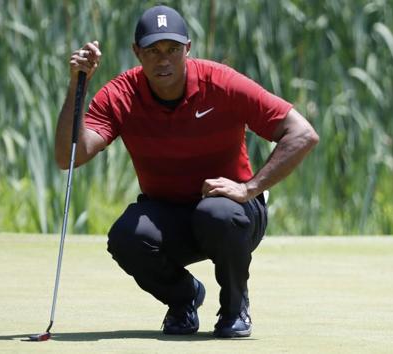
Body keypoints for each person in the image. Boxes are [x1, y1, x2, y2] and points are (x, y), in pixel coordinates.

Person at [55, 5, 318, 338]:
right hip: (170, 214)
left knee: (217, 213)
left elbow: (302, 134)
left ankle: (235, 309)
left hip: (233, 212)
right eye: (153, 50)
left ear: (188, 49)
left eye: (172, 49)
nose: (163, 59)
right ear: (137, 52)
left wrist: (250, 188)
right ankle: (184, 299)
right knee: (127, 238)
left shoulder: (221, 83)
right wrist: (77, 85)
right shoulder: (120, 94)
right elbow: (69, 156)